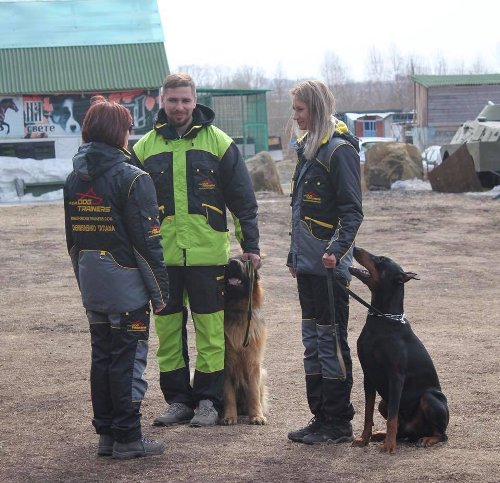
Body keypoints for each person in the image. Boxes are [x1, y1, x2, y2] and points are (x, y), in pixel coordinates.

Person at [130, 73, 261, 427]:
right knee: (168, 333)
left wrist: (251, 246)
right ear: (162, 101)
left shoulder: (219, 143)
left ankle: (208, 400)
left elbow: (243, 201)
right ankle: (178, 401)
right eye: (173, 100)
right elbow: (130, 204)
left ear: (195, 101)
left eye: (185, 100)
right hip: (163, 257)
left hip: (208, 256)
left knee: (210, 331)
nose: (179, 107)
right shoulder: (143, 148)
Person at [63, 96, 170, 459]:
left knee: (103, 357)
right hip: (126, 287)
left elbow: (72, 240)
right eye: (127, 127)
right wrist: (160, 292)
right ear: (118, 133)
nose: (131, 133)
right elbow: (148, 243)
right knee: (129, 358)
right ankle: (128, 437)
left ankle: (107, 435)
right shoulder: (133, 178)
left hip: (92, 281)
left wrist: (84, 281)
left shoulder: (73, 178)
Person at [286, 80, 363, 444]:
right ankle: (320, 417)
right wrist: (293, 254)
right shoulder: (308, 150)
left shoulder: (338, 151)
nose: (295, 116)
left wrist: (335, 250)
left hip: (331, 269)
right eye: (295, 109)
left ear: (316, 109)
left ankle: (338, 422)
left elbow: (352, 212)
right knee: (312, 341)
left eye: (300, 109)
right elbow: (300, 211)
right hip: (306, 267)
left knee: (331, 342)